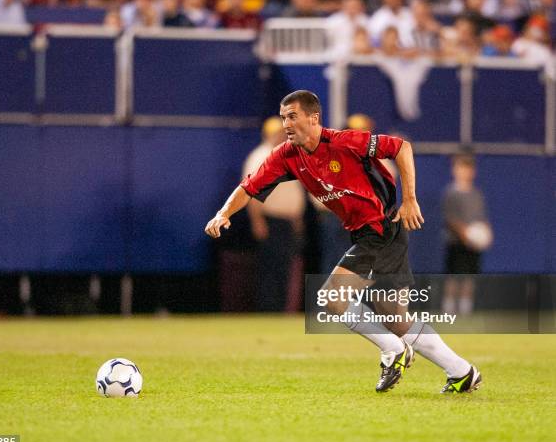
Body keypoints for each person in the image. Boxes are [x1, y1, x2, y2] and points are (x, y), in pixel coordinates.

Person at [205, 90, 482, 394]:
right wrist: (223, 213)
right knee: (394, 316)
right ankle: (462, 372)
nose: (286, 123)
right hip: (369, 232)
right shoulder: (287, 155)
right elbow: (249, 186)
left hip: (380, 228)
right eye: (283, 117)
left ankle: (394, 351)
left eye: (292, 116)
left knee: (333, 298)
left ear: (313, 118)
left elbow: (402, 147)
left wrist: (410, 199)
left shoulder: (344, 141)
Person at [242, 117, 306, 312]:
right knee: (270, 269)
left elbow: (292, 194)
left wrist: (296, 219)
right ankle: (268, 309)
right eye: (279, 133)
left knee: (283, 269)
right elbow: (251, 191)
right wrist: (257, 221)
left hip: (286, 222)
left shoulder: (287, 156)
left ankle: (279, 310)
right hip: (271, 221)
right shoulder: (261, 156)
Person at [441, 153, 492, 316]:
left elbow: (481, 217)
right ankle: (448, 309)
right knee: (453, 276)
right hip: (456, 243)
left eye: (467, 168)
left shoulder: (476, 194)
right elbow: (449, 219)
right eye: (460, 168)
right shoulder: (451, 193)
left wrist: (485, 233)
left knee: (470, 276)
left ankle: (465, 309)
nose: (463, 172)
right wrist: (465, 234)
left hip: (473, 245)